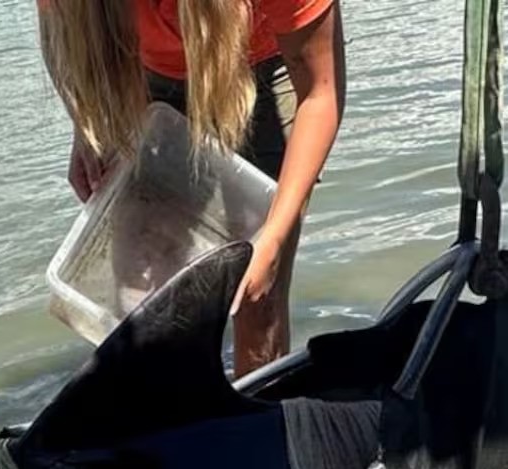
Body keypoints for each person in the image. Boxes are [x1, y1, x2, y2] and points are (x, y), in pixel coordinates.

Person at [37, 0, 346, 377]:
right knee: (136, 293)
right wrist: (86, 129)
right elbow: (69, 39)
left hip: (260, 63)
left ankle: (251, 420)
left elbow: (320, 93)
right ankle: (173, 422)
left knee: (254, 294)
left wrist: (275, 238)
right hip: (145, 71)